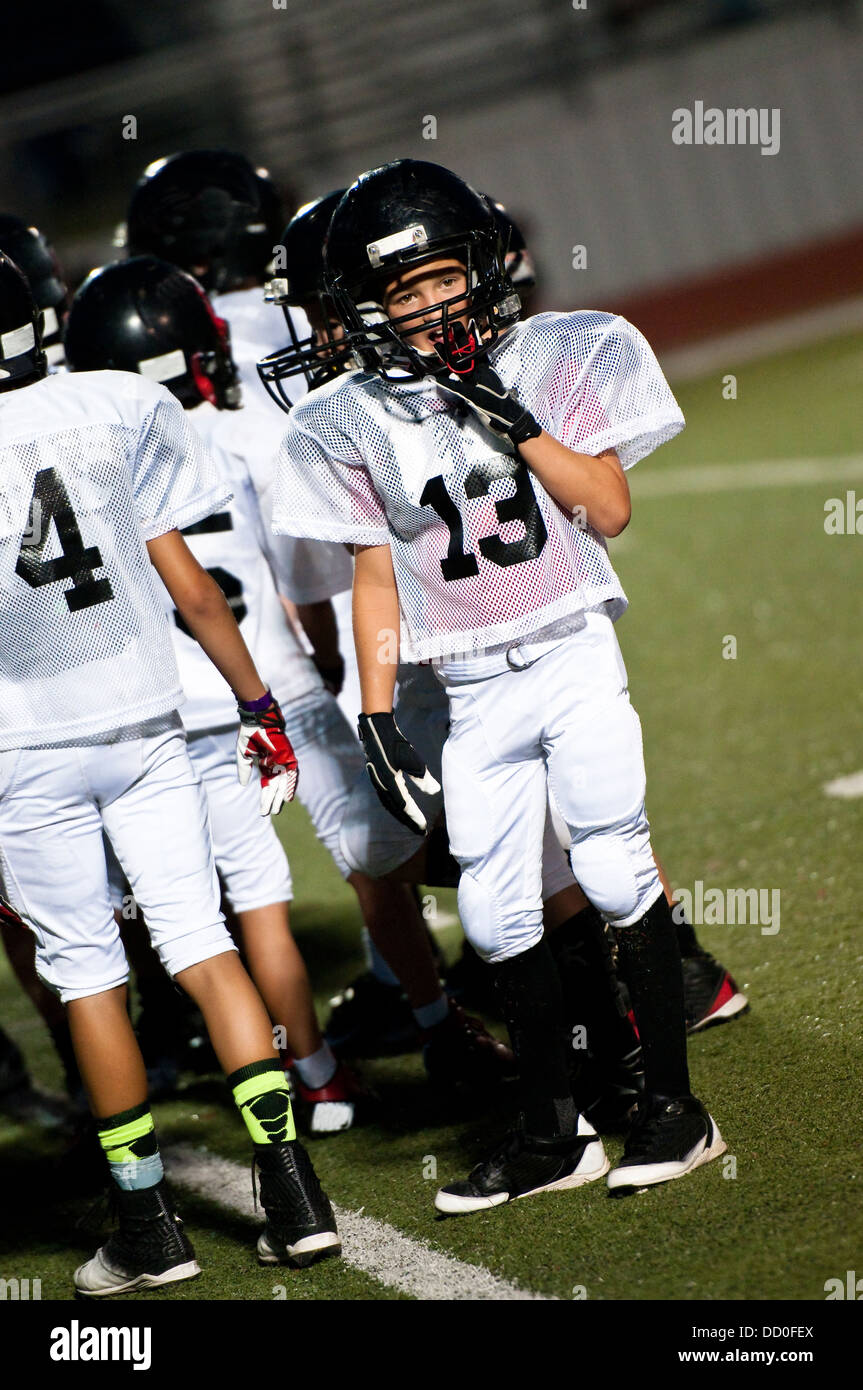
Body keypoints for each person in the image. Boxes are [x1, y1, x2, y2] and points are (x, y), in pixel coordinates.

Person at [271, 160, 727, 1213]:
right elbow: (375, 575)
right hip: (469, 685)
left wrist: (507, 411)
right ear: (367, 308)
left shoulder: (559, 354)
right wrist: (377, 710)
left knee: (612, 868)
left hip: (567, 650)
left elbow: (606, 508)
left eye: (438, 277)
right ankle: (551, 1131)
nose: (429, 305)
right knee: (490, 902)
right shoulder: (348, 417)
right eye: (402, 291)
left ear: (477, 268)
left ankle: (671, 1109)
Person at [0, 251, 338, 1293]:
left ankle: (148, 1222)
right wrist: (254, 699)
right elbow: (192, 590)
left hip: (24, 749)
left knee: (89, 971)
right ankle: (294, 1192)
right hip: (147, 721)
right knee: (202, 943)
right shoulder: (110, 405)